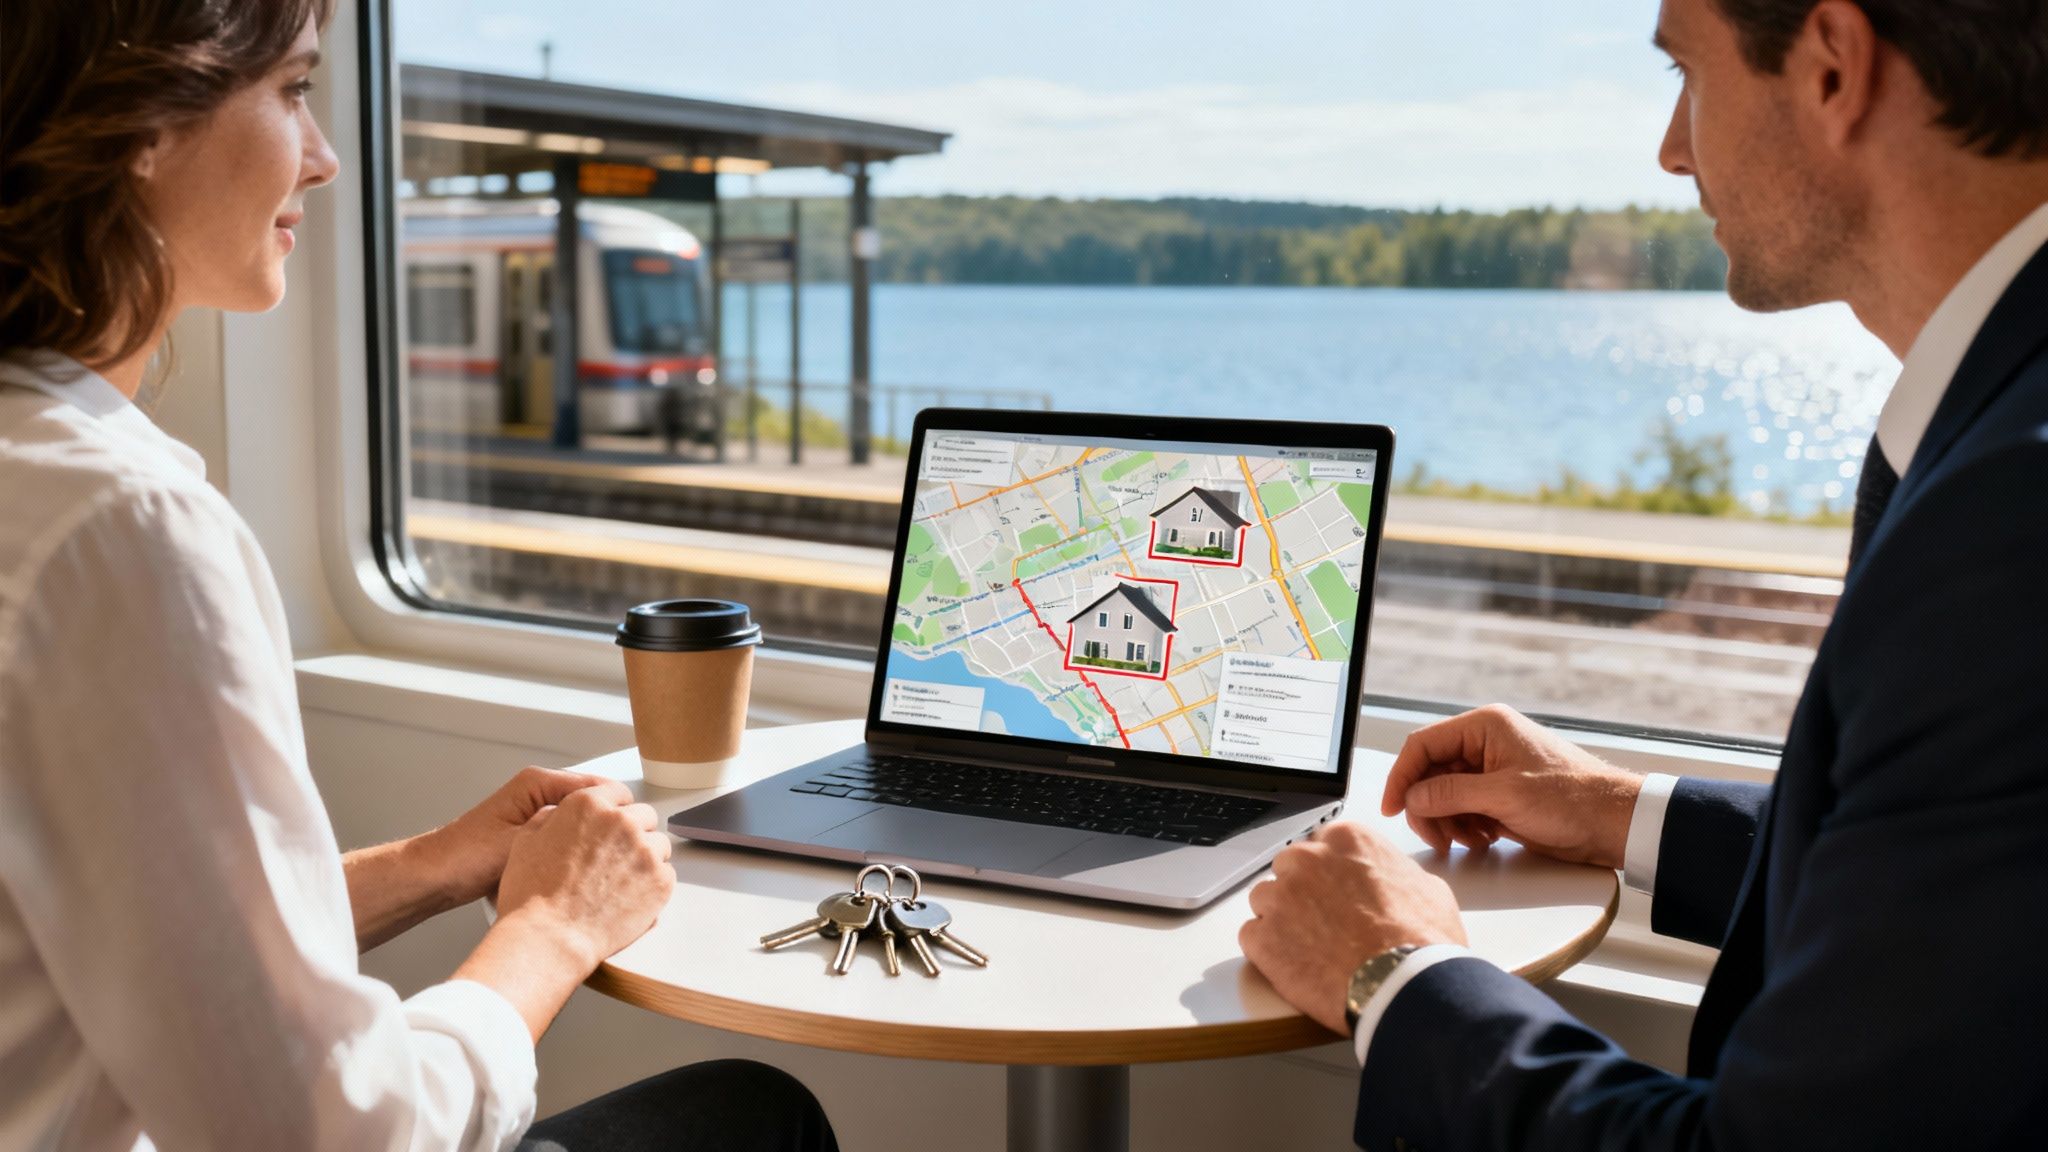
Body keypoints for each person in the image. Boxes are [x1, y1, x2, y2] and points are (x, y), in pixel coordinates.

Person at [0, 4, 838, 1150]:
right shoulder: (120, 531)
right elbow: (322, 1128)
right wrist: (555, 924)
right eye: (292, 92)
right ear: (141, 120)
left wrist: (435, 867)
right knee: (751, 1120)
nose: (324, 156)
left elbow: (160, 959)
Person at [1239, 0, 2048, 1147]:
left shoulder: (2007, 523)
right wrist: (1616, 811)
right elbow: (1951, 888)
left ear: (1831, 67)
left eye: (1688, 73)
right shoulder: (1997, 426)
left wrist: (1391, 975)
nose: (1672, 147)